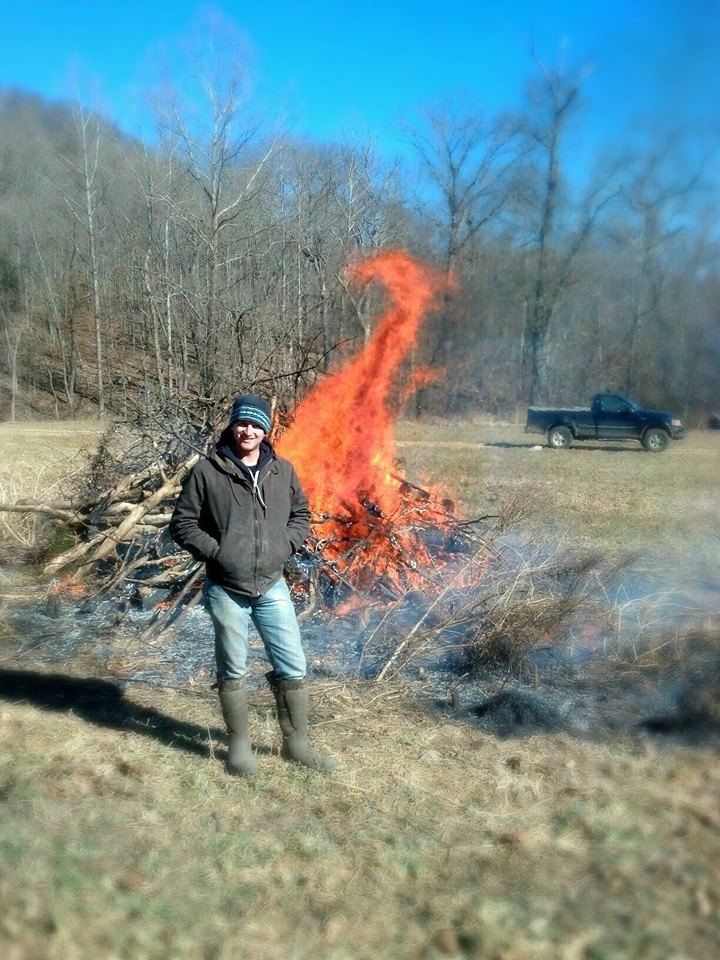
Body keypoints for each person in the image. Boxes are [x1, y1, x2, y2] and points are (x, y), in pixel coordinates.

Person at [169, 393, 336, 777]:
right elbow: (183, 523)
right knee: (233, 667)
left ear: (266, 429)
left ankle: (297, 744)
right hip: (227, 585)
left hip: (271, 584)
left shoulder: (282, 470)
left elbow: (301, 514)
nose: (248, 431)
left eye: (256, 424)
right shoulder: (208, 472)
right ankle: (240, 747)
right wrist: (217, 553)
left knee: (293, 662)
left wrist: (286, 544)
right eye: (242, 423)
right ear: (232, 425)